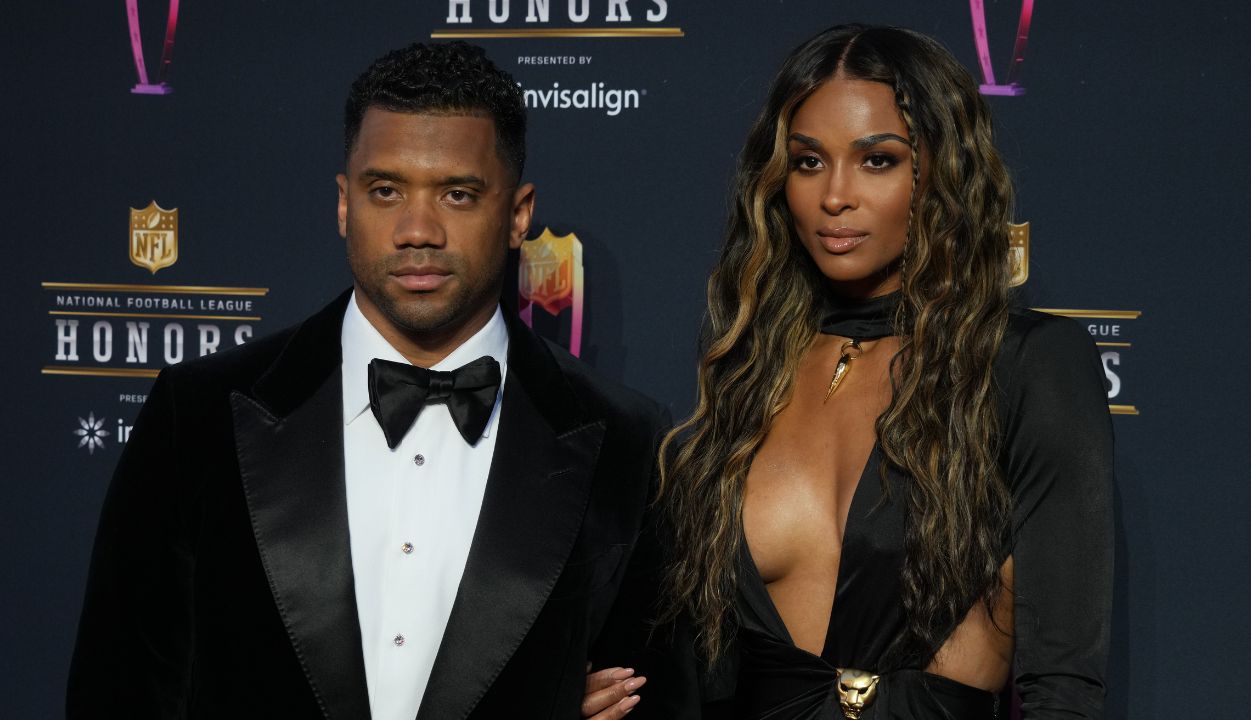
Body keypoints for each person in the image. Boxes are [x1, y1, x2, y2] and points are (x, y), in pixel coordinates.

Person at [68, 41, 683, 719]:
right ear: (343, 203)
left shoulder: (631, 446)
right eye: (385, 191)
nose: (417, 231)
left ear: (517, 214)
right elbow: (119, 693)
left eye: (457, 193)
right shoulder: (199, 414)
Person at [598, 24, 1114, 719]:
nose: (834, 196)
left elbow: (1064, 685)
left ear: (940, 169)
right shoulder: (753, 367)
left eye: (877, 161)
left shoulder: (1027, 366)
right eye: (809, 163)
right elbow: (691, 663)